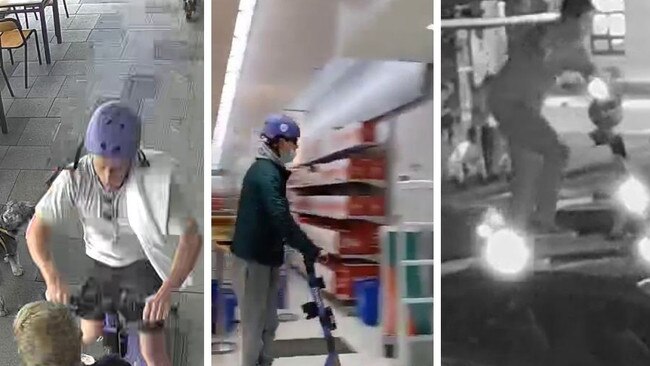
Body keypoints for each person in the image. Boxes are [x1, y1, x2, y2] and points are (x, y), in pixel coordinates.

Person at [25, 101, 202, 366]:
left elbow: (192, 237)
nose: (107, 177)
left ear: (133, 156)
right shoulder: (75, 177)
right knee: (87, 333)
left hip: (142, 268)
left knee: (153, 354)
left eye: (117, 168)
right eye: (101, 166)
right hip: (101, 264)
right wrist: (51, 277)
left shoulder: (157, 181)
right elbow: (35, 230)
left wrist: (168, 289)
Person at [486, 0, 598, 234]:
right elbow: (533, 46)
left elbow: (592, 74)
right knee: (556, 152)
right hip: (510, 102)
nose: (589, 27)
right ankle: (542, 219)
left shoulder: (575, 48)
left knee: (527, 167)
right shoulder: (543, 34)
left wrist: (604, 94)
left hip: (524, 106)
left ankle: (517, 227)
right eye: (586, 20)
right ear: (571, 18)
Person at [230, 114, 330, 366]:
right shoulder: (264, 174)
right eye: (292, 142)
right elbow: (280, 217)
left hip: (267, 258)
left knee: (269, 323)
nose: (295, 148)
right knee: (254, 327)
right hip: (252, 262)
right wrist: (309, 248)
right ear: (278, 142)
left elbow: (278, 220)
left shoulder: (272, 172)